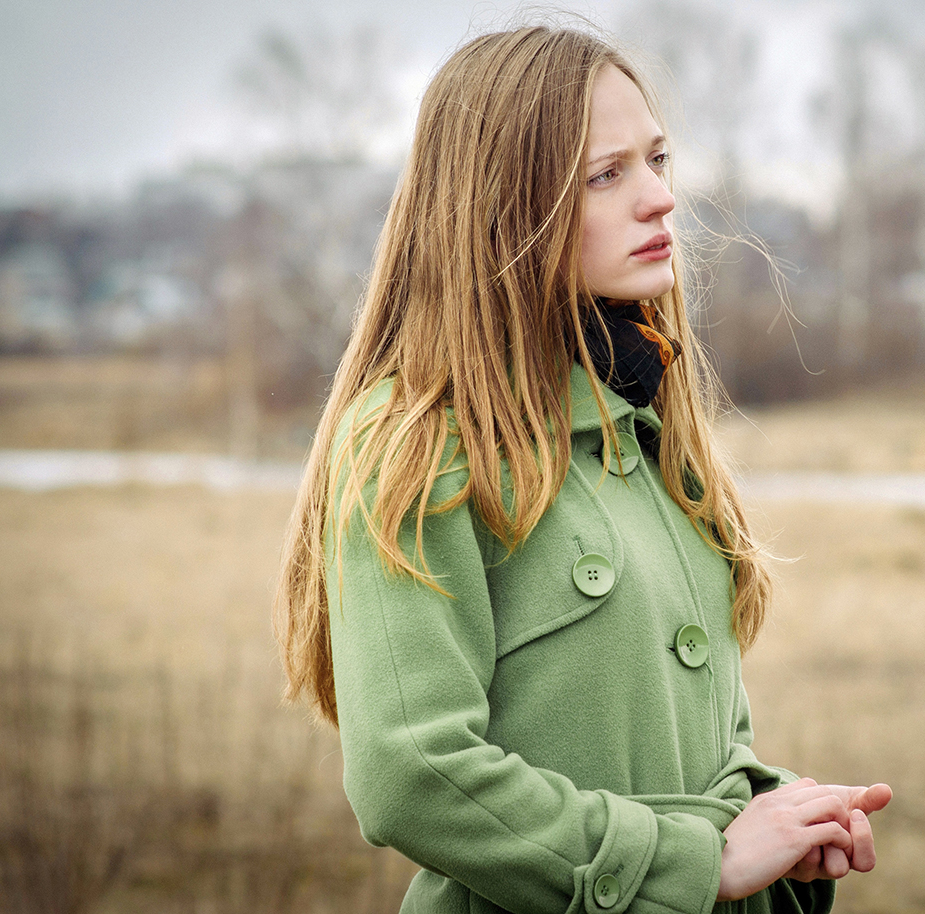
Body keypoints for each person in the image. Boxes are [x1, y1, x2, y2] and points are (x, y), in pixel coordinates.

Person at [274, 23, 892, 914]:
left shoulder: (650, 424)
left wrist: (778, 816)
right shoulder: (416, 442)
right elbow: (411, 775)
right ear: (503, 209)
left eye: (658, 160)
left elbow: (692, 744)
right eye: (606, 175)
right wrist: (694, 864)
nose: (660, 199)